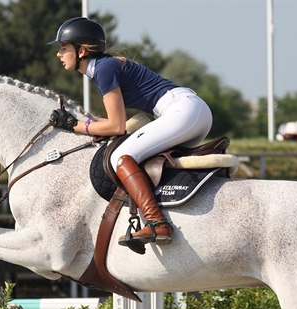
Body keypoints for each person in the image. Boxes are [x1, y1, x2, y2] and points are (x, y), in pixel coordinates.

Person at [47, 17, 212, 247]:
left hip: (182, 111)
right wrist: (85, 125)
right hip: (192, 112)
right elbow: (117, 124)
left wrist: (75, 126)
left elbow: (116, 126)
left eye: (63, 48)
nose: (59, 54)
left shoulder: (103, 69)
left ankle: (157, 223)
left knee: (119, 157)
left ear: (81, 51)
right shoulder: (105, 66)